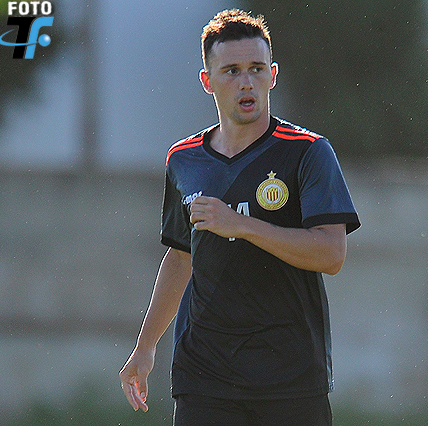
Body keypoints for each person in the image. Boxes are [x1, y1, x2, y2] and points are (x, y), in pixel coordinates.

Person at [119, 8, 360, 426]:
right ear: (207, 81)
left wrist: (243, 226)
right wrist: (145, 347)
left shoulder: (307, 152)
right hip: (204, 376)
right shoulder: (184, 159)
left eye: (256, 68)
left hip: (291, 376)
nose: (246, 81)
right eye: (231, 71)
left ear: (273, 75)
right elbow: (181, 257)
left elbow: (331, 253)